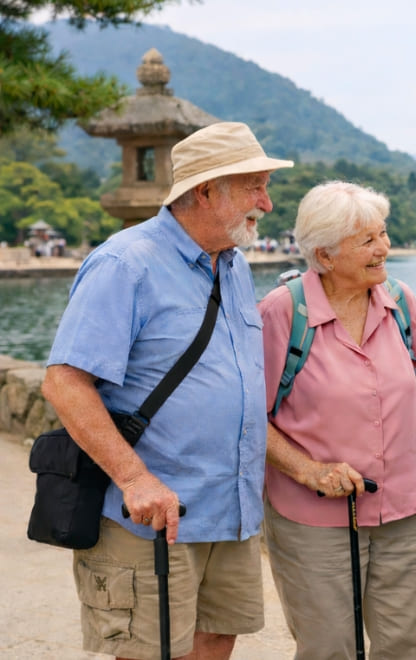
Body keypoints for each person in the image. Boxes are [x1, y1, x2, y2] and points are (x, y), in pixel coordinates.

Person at [41, 121, 292, 659]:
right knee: (150, 652)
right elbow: (64, 382)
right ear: (206, 191)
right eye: (254, 187)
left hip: (230, 511)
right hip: (154, 517)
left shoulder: (235, 267)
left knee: (216, 640)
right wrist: (135, 479)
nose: (266, 204)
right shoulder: (124, 263)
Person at [258, 181, 416, 660]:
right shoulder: (281, 312)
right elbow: (248, 418)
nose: (384, 248)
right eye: (367, 241)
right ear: (325, 255)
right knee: (329, 649)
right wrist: (310, 471)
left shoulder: (401, 301)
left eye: (383, 233)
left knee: (409, 647)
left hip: (409, 512)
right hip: (315, 521)